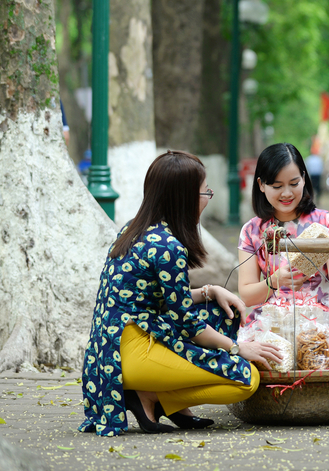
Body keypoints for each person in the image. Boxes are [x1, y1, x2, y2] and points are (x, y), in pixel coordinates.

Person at [79, 151, 283, 437]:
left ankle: (157, 398)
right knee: (246, 378)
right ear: (184, 198)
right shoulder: (169, 246)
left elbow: (164, 299)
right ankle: (153, 396)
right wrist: (239, 349)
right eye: (204, 191)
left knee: (219, 310)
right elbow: (190, 325)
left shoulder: (134, 229)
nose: (207, 197)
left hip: (112, 347)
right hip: (130, 353)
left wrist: (211, 291)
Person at [237, 143, 329, 324]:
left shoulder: (327, 223)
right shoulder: (252, 231)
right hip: (270, 326)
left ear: (303, 178)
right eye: (277, 186)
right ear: (261, 185)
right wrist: (274, 281)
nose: (287, 193)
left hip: (318, 325)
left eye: (294, 183)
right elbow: (246, 296)